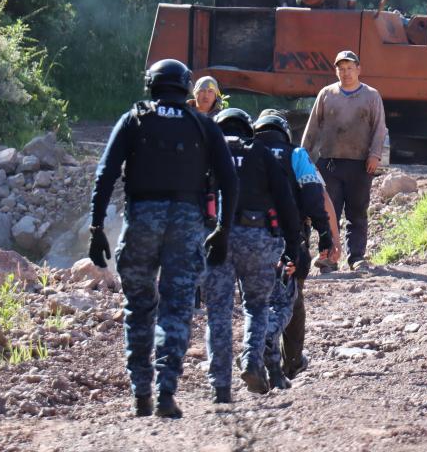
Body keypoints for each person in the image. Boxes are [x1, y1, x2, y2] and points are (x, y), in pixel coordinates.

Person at [87, 58, 236, 419]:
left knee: (138, 305)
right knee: (177, 306)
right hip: (187, 223)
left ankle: (141, 394)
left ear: (150, 85)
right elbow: (230, 180)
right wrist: (222, 231)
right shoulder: (202, 125)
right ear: (185, 87)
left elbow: (105, 173)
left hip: (141, 219)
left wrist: (96, 227)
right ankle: (166, 390)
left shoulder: (134, 119)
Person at [202, 108, 303, 402]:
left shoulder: (209, 154)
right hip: (258, 238)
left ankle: (219, 384)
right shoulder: (261, 152)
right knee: (257, 307)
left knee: (218, 312)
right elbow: (286, 202)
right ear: (249, 130)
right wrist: (293, 246)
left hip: (217, 240)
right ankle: (250, 360)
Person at [253, 110, 339, 384]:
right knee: (292, 298)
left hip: (248, 239)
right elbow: (314, 196)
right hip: (290, 240)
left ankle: (252, 359)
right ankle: (291, 361)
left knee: (253, 302)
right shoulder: (297, 154)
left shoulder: (246, 153)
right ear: (284, 132)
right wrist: (325, 235)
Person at [301, 49, 387, 270]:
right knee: (328, 212)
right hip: (329, 163)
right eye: (341, 68)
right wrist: (302, 156)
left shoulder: (371, 95)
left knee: (357, 212)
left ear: (358, 70)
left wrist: (375, 155)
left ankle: (356, 257)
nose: (346, 72)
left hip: (360, 164)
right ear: (336, 71)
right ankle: (329, 257)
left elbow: (379, 128)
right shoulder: (327, 94)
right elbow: (312, 127)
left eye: (350, 68)